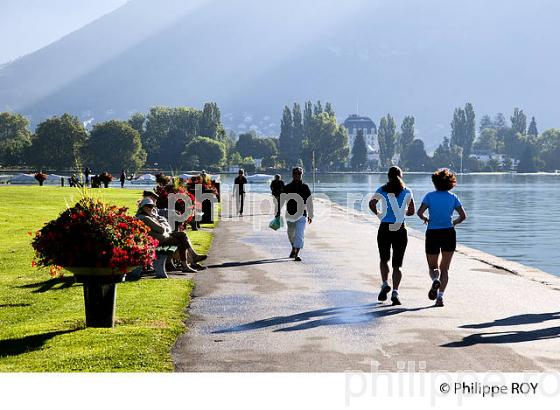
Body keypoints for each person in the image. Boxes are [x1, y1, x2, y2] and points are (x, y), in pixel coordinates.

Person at [417, 168, 467, 307]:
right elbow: (463, 216)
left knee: (433, 267)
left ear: (435, 182)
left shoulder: (429, 196)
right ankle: (440, 297)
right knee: (445, 268)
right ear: (450, 183)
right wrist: (454, 223)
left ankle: (435, 280)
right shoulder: (453, 197)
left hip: (433, 232)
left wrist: (426, 218)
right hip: (448, 233)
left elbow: (419, 212)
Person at [369, 166, 415, 306]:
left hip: (385, 228)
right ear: (401, 176)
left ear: (388, 176)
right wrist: (403, 213)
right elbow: (412, 211)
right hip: (400, 229)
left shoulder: (382, 189)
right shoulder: (407, 191)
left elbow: (371, 203)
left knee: (384, 259)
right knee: (397, 265)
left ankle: (384, 284)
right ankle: (395, 292)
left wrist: (379, 214)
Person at [136, 197, 207, 273]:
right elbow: (161, 229)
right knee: (180, 241)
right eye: (149, 206)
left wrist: (161, 222)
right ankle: (188, 264)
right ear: (143, 207)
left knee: (182, 235)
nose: (151, 208)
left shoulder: (149, 216)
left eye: (152, 206)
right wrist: (161, 223)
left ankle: (190, 260)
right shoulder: (145, 218)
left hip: (163, 236)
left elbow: (163, 226)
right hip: (159, 240)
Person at [283, 167, 313, 262]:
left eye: (299, 173)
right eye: (295, 173)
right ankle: (293, 247)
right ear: (292, 175)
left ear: (301, 175)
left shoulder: (305, 187)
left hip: (302, 214)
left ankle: (297, 254)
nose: (297, 175)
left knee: (299, 234)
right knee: (291, 234)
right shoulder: (287, 187)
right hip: (290, 214)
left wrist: (310, 214)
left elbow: (309, 201)